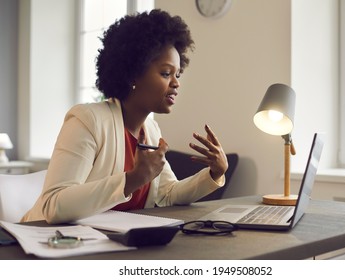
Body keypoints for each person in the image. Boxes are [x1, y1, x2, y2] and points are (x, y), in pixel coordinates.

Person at [22, 9, 228, 224]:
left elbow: (167, 194)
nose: (176, 83)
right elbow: (54, 205)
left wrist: (214, 173)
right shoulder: (88, 120)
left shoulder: (151, 131)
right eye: (166, 73)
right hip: (47, 243)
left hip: (113, 246)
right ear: (132, 73)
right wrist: (131, 180)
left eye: (178, 74)